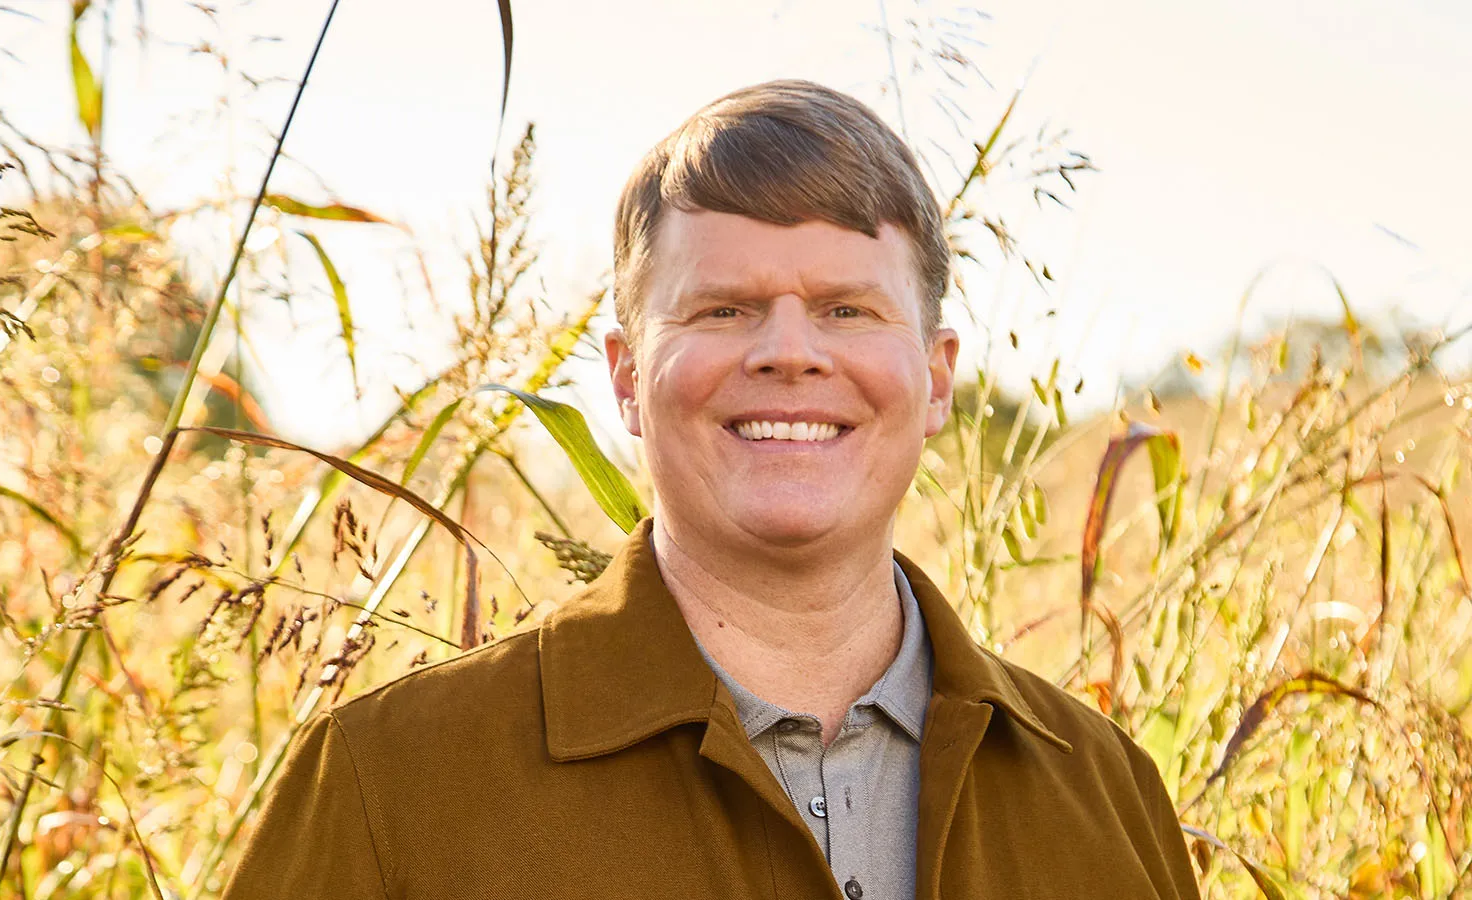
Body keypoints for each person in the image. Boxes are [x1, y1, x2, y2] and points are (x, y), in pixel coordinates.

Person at [220, 79, 1202, 900]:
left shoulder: (1106, 792)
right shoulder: (394, 780)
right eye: (723, 309)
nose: (787, 353)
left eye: (846, 309)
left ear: (936, 376)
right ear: (623, 375)